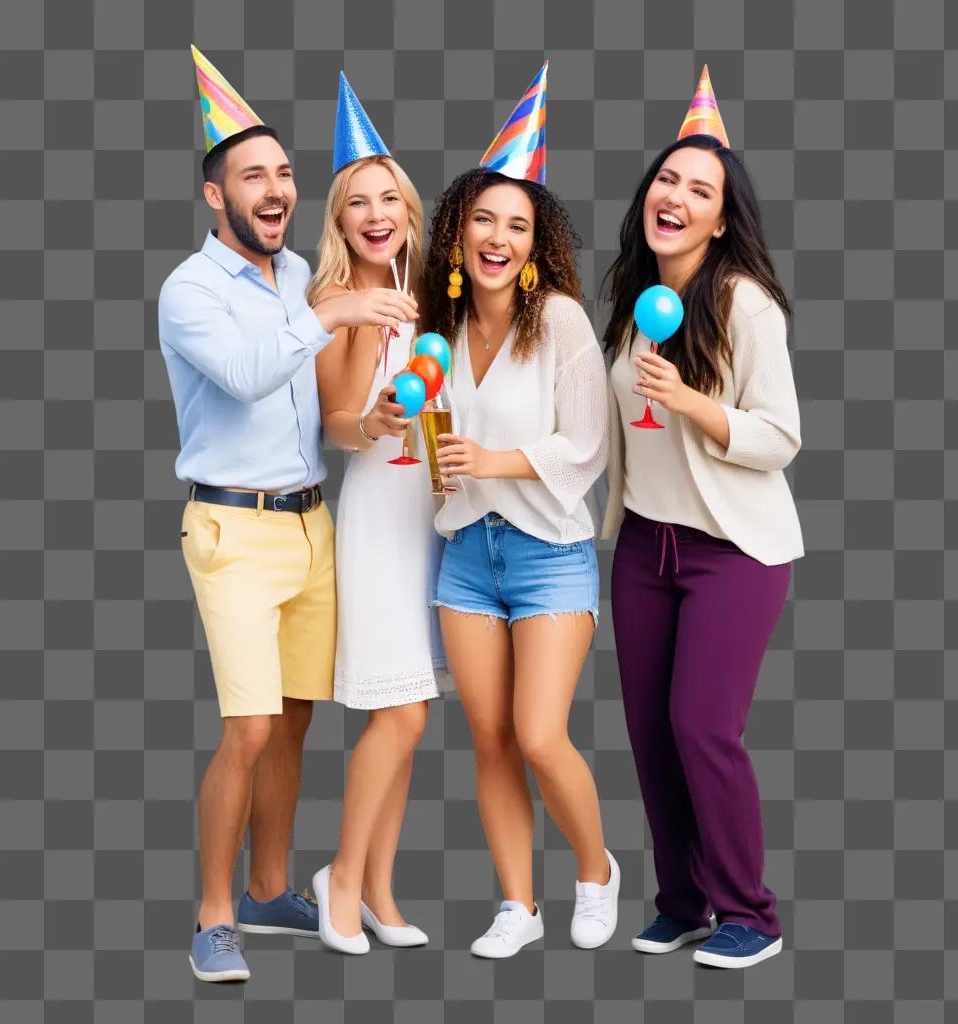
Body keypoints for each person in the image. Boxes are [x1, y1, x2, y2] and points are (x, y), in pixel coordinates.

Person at [158, 49, 417, 982]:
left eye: (285, 173)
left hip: (314, 525)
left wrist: (373, 422)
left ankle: (269, 888)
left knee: (298, 716)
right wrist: (337, 308)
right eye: (252, 175)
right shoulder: (191, 291)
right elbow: (243, 374)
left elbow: (321, 414)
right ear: (215, 196)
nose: (276, 188)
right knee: (251, 726)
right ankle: (215, 914)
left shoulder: (298, 269)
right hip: (232, 531)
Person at [600, 67, 804, 969]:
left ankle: (749, 913)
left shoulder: (743, 303)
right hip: (645, 544)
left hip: (734, 552)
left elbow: (780, 437)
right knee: (648, 732)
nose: (673, 195)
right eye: (666, 180)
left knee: (701, 728)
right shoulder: (633, 306)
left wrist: (692, 403)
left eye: (699, 188)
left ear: (721, 219)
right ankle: (680, 901)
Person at [421, 64, 617, 959]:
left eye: (518, 224)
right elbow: (433, 452)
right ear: (458, 234)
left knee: (541, 734)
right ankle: (516, 905)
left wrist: (488, 459)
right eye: (483, 220)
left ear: (536, 243)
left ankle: (594, 869)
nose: (497, 236)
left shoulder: (565, 323)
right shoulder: (440, 331)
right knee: (492, 737)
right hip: (465, 552)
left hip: (549, 553)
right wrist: (421, 447)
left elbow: (587, 447)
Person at [308, 74, 444, 955]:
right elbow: (335, 425)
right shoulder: (338, 304)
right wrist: (377, 421)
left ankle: (383, 891)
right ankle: (342, 883)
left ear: (408, 209)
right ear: (340, 219)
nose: (375, 212)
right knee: (398, 714)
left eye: (388, 196)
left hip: (431, 518)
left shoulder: (430, 293)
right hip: (374, 519)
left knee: (410, 706)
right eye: (357, 202)